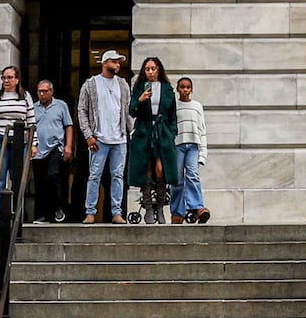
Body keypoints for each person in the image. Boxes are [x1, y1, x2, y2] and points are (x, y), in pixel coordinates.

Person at [81, 49, 133, 224]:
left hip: (120, 138)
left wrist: (130, 130)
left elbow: (127, 109)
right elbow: (82, 110)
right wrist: (88, 135)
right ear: (105, 62)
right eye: (114, 61)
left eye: (119, 62)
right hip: (99, 138)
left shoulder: (123, 84)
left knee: (118, 176)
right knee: (94, 176)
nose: (118, 65)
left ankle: (116, 212)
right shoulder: (91, 84)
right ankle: (90, 212)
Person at [128, 56, 181, 225]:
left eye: (153, 68)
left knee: (161, 171)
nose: (150, 72)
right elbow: (132, 111)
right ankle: (149, 209)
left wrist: (171, 132)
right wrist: (140, 100)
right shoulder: (138, 88)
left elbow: (172, 114)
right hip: (144, 132)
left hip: (162, 133)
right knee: (147, 171)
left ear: (159, 70)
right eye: (147, 69)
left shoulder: (167, 89)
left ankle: (160, 208)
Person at [0, 65, 34, 213]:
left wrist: (34, 144)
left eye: (10, 77)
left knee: (17, 178)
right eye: (4, 77)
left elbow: (31, 121)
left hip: (19, 139)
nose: (6, 80)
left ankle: (18, 213)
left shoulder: (25, 97)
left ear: (17, 80)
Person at [28, 79, 75, 223]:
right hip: (38, 149)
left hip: (56, 146)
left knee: (52, 176)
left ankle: (58, 207)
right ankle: (42, 214)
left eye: (45, 91)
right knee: (40, 182)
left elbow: (68, 126)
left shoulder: (61, 106)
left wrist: (68, 146)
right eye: (39, 91)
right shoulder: (33, 108)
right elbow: (29, 127)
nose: (42, 94)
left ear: (51, 91)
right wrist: (30, 145)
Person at [172, 74, 211, 223]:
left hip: (193, 146)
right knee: (177, 180)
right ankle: (177, 212)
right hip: (178, 145)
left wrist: (203, 154)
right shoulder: (174, 106)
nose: (185, 90)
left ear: (192, 89)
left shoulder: (197, 106)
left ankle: (198, 207)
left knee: (193, 175)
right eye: (182, 87)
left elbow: (202, 130)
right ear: (178, 89)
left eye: (188, 87)